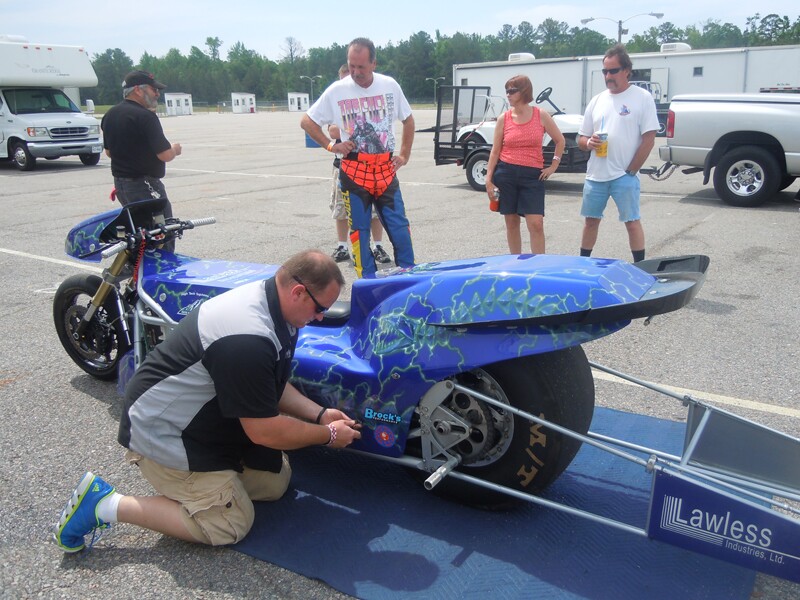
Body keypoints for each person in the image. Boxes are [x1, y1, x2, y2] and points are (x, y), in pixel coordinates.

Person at [52, 250, 362, 552]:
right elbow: (264, 431)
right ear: (298, 292)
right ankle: (103, 504)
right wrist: (329, 435)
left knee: (275, 482)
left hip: (203, 418)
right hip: (165, 431)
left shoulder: (276, 307)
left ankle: (207, 489)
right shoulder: (248, 337)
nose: (320, 316)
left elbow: (271, 384)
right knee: (231, 523)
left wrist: (320, 414)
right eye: (320, 308)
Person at [301, 37, 415, 279]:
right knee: (359, 233)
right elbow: (307, 121)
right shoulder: (337, 90)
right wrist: (331, 145)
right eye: (351, 65)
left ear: (374, 63)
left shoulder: (390, 85)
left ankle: (409, 277)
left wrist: (404, 154)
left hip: (385, 172)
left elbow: (408, 119)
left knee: (399, 228)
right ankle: (367, 283)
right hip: (354, 174)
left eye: (361, 66)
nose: (355, 72)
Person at [577, 45, 659, 263]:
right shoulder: (597, 100)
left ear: (627, 70)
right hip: (596, 175)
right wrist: (589, 143)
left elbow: (649, 138)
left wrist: (631, 170)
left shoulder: (642, 97)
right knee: (591, 222)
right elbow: (581, 138)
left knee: (632, 222)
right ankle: (584, 264)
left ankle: (640, 267)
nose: (608, 76)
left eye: (613, 71)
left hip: (624, 175)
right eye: (605, 71)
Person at [101, 70, 182, 250]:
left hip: (123, 186)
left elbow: (109, 152)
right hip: (146, 187)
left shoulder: (110, 115)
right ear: (138, 90)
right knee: (162, 233)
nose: (157, 94)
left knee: (137, 235)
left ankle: (136, 270)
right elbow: (165, 154)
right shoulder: (146, 117)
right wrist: (175, 149)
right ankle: (160, 272)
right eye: (154, 90)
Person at [485, 75, 565, 254]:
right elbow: (495, 151)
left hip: (532, 176)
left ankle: (538, 266)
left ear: (524, 91)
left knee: (536, 224)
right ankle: (516, 264)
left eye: (512, 91)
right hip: (506, 173)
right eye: (507, 91)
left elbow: (560, 141)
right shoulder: (503, 119)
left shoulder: (540, 115)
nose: (508, 94)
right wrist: (488, 179)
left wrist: (553, 166)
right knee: (512, 223)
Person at [328, 63, 391, 265]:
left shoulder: (369, 101)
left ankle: (377, 246)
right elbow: (333, 132)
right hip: (344, 166)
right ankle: (342, 246)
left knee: (373, 210)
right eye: (347, 79)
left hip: (371, 166)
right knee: (341, 208)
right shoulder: (335, 101)